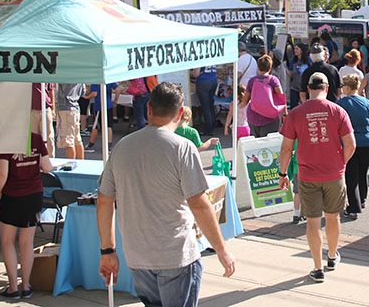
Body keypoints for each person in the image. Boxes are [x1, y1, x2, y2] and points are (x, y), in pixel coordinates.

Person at [98, 83, 235, 306]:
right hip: (176, 255)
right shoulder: (181, 147)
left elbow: (104, 200)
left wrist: (107, 250)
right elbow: (199, 204)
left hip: (138, 256)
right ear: (181, 113)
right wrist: (221, 249)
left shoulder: (122, 147)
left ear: (149, 108)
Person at [277, 72, 355, 283]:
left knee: (312, 221)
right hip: (333, 174)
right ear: (327, 88)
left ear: (307, 90)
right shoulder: (338, 111)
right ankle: (331, 256)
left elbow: (286, 148)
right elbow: (351, 145)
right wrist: (341, 163)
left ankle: (317, 268)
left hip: (307, 174)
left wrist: (283, 173)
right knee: (333, 216)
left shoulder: (295, 113)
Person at [0, 132, 53, 299]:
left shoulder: (6, 140)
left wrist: (0, 193)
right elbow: (48, 167)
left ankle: (13, 287)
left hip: (12, 195)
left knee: (7, 242)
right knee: (27, 243)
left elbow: (2, 174)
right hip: (34, 194)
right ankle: (26, 285)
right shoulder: (36, 138)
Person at [336, 75, 369, 219]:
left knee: (351, 176)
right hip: (368, 143)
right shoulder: (367, 102)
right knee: (362, 172)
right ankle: (362, 199)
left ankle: (353, 207)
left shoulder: (341, 103)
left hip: (350, 142)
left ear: (347, 87)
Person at [243, 55, 285, 137]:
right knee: (269, 145)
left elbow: (244, 101)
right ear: (270, 68)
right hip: (270, 118)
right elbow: (281, 97)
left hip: (253, 117)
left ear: (258, 67)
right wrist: (285, 113)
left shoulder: (252, 81)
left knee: (257, 145)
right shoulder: (273, 80)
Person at [56, 83, 85, 160]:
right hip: (75, 108)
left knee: (68, 140)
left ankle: (71, 164)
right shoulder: (81, 76)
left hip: (65, 108)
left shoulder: (65, 75)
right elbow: (83, 92)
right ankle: (81, 163)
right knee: (77, 139)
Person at [191, 65, 219, 136]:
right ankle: (212, 126)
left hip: (203, 81)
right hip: (213, 80)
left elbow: (195, 74)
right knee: (211, 105)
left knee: (205, 106)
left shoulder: (199, 56)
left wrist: (190, 72)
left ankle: (208, 130)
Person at [288, 42, 310, 109]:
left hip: (305, 88)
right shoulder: (293, 60)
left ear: (302, 50)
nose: (295, 50)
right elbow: (290, 72)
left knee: (306, 107)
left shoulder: (308, 60)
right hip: (294, 87)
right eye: (294, 49)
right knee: (294, 107)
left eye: (297, 49)